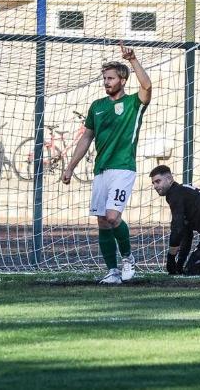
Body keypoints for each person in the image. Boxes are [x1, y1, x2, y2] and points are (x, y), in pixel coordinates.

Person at [62, 43, 152, 285]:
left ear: (122, 80)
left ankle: (128, 258)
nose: (106, 82)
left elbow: (147, 86)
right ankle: (112, 272)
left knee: (113, 217)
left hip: (123, 168)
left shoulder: (134, 103)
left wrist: (133, 59)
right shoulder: (97, 107)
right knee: (102, 221)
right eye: (104, 78)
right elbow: (86, 138)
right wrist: (70, 166)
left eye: (110, 78)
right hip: (101, 170)